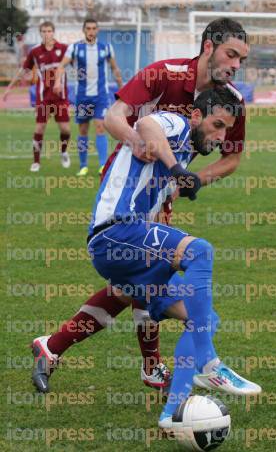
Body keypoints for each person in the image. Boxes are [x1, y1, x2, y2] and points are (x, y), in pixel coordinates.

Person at [31, 18, 250, 392]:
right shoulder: (163, 74)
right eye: (231, 54)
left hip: (162, 191)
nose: (236, 66)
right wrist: (140, 144)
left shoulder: (230, 102)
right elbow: (113, 116)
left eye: (243, 59)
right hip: (127, 189)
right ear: (208, 47)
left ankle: (53, 346)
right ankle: (163, 365)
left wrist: (190, 180)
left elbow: (231, 158)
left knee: (132, 285)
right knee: (156, 274)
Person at [32, 88, 262, 431]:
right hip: (114, 232)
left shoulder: (185, 146)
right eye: (217, 125)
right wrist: (177, 169)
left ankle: (171, 415)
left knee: (203, 317)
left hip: (132, 241)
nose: (220, 137)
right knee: (201, 251)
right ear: (197, 116)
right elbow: (147, 124)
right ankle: (208, 364)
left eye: (225, 130)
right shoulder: (178, 124)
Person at [54, 18, 123, 176]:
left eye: (94, 28)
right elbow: (60, 66)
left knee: (100, 127)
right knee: (83, 130)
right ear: (84, 30)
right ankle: (83, 165)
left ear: (97, 30)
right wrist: (57, 81)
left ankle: (102, 165)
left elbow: (115, 69)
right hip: (82, 96)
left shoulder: (105, 48)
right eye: (88, 28)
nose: (91, 31)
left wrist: (122, 91)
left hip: (100, 96)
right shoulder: (75, 48)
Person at [3, 21, 71, 172]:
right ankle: (36, 162)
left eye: (49, 31)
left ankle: (64, 152)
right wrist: (9, 89)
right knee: (40, 128)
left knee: (66, 130)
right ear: (40, 33)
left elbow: (76, 64)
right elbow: (23, 71)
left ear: (54, 32)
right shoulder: (35, 52)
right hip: (43, 98)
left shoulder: (64, 49)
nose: (47, 34)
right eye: (44, 31)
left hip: (61, 97)